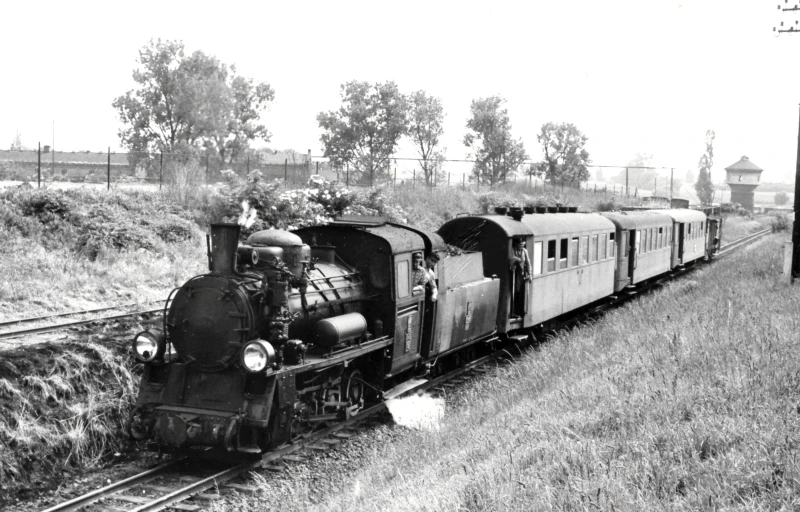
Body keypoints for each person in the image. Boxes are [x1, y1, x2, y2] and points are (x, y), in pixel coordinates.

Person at [509, 238, 530, 318]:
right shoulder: (512, 250)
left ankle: (519, 312)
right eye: (521, 245)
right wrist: (517, 259)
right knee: (515, 291)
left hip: (521, 274)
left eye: (523, 245)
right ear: (517, 244)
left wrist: (530, 274)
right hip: (514, 273)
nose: (522, 246)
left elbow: (528, 262)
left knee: (520, 292)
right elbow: (510, 259)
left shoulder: (524, 251)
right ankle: (513, 312)